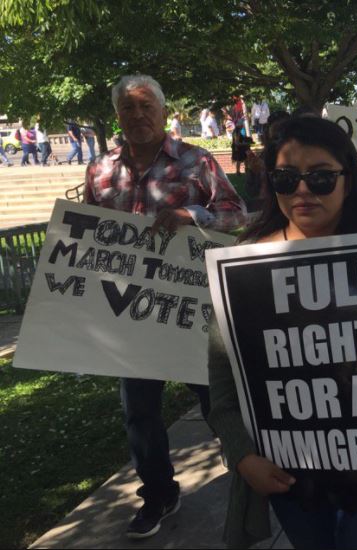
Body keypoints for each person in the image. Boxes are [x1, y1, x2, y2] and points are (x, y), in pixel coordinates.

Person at [208, 115, 357, 549]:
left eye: (320, 178)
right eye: (286, 178)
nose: (302, 190)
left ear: (348, 180)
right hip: (293, 480)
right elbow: (223, 388)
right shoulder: (243, 270)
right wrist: (243, 456)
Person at [83, 74, 246, 539]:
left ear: (162, 110)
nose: (137, 116)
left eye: (145, 106)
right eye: (128, 108)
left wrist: (193, 215)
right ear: (118, 115)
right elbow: (91, 235)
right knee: (139, 410)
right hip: (132, 312)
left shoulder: (196, 161)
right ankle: (158, 493)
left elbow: (237, 215)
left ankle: (246, 474)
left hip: (192, 306)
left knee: (217, 401)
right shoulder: (98, 171)